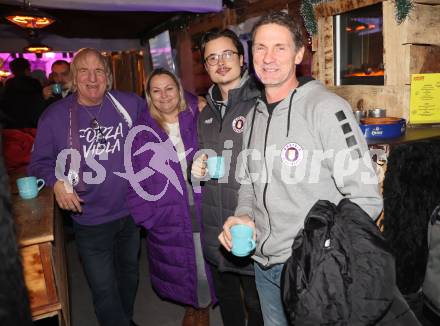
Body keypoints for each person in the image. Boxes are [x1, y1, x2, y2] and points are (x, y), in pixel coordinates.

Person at [218, 12, 383, 326]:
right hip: (263, 266)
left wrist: (321, 253)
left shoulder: (325, 108)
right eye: (260, 48)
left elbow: (366, 198)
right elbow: (249, 186)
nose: (268, 58)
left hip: (312, 271)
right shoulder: (253, 115)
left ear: (298, 53)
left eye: (279, 47)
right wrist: (243, 215)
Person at [28, 48, 145, 326]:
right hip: (89, 218)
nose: (92, 78)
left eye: (99, 71)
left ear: (109, 76)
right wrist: (56, 182)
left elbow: (164, 116)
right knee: (103, 286)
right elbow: (38, 164)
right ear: (73, 78)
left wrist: (194, 103)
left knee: (129, 275)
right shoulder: (54, 117)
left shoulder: (130, 104)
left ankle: (124, 319)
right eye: (84, 70)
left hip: (131, 212)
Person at [127, 68, 215, 326]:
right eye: (156, 90)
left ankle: (204, 306)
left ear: (179, 90)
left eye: (169, 88)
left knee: (207, 261)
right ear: (149, 96)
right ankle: (195, 306)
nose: (164, 95)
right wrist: (149, 219)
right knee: (186, 263)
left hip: (204, 205)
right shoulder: (141, 130)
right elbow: (134, 180)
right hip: (168, 213)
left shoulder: (199, 116)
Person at [191, 29, 263, 326]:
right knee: (230, 306)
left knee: (259, 306)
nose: (220, 62)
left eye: (227, 54)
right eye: (212, 58)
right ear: (206, 67)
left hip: (250, 226)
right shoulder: (205, 112)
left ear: (242, 59)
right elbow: (203, 158)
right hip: (215, 231)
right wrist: (196, 167)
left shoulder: (261, 102)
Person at [0, 58, 46, 128]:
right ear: (27, 69)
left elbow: (5, 104)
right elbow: (39, 101)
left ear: (13, 71)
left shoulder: (9, 84)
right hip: (32, 124)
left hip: (13, 124)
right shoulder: (34, 83)